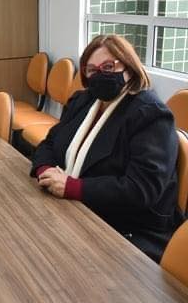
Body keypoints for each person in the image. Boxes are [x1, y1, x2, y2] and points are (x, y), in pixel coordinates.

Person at [31, 34, 184, 263]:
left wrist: (72, 187)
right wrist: (45, 170)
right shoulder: (82, 101)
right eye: (92, 70)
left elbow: (141, 189)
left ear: (129, 67)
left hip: (127, 229)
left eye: (109, 66)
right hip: (75, 208)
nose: (100, 74)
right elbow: (50, 142)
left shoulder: (151, 115)